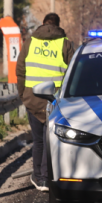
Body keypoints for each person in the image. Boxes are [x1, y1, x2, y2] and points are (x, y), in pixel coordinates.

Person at [16, 13, 75, 192]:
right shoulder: (65, 43)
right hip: (55, 100)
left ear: (42, 24)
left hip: (33, 99)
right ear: (58, 24)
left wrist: (23, 95)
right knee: (51, 140)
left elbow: (20, 70)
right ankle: (47, 177)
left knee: (38, 141)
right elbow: (73, 71)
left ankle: (39, 177)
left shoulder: (30, 42)